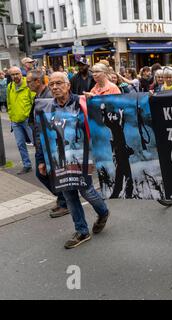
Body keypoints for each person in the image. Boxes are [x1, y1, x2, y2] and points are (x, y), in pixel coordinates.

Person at [44, 72, 110, 249]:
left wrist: (94, 101)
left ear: (68, 85)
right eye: (51, 84)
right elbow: (41, 134)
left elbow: (105, 115)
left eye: (59, 83)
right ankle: (81, 230)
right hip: (59, 158)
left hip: (82, 155)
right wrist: (42, 159)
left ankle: (103, 212)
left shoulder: (82, 102)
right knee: (68, 193)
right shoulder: (47, 108)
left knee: (86, 190)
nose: (55, 87)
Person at [26, 69, 69, 218]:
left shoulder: (49, 97)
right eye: (52, 84)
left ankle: (65, 201)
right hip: (41, 141)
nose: (27, 85)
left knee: (48, 173)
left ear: (37, 81)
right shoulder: (39, 96)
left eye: (29, 82)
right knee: (44, 174)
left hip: (48, 142)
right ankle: (63, 198)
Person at [6, 67, 34, 175]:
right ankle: (27, 165)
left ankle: (45, 164)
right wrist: (11, 115)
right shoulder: (10, 86)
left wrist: (31, 117)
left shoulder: (28, 85)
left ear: (21, 74)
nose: (15, 76)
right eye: (12, 75)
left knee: (36, 143)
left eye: (17, 74)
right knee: (20, 144)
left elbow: (33, 102)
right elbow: (9, 102)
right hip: (15, 121)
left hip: (27, 120)